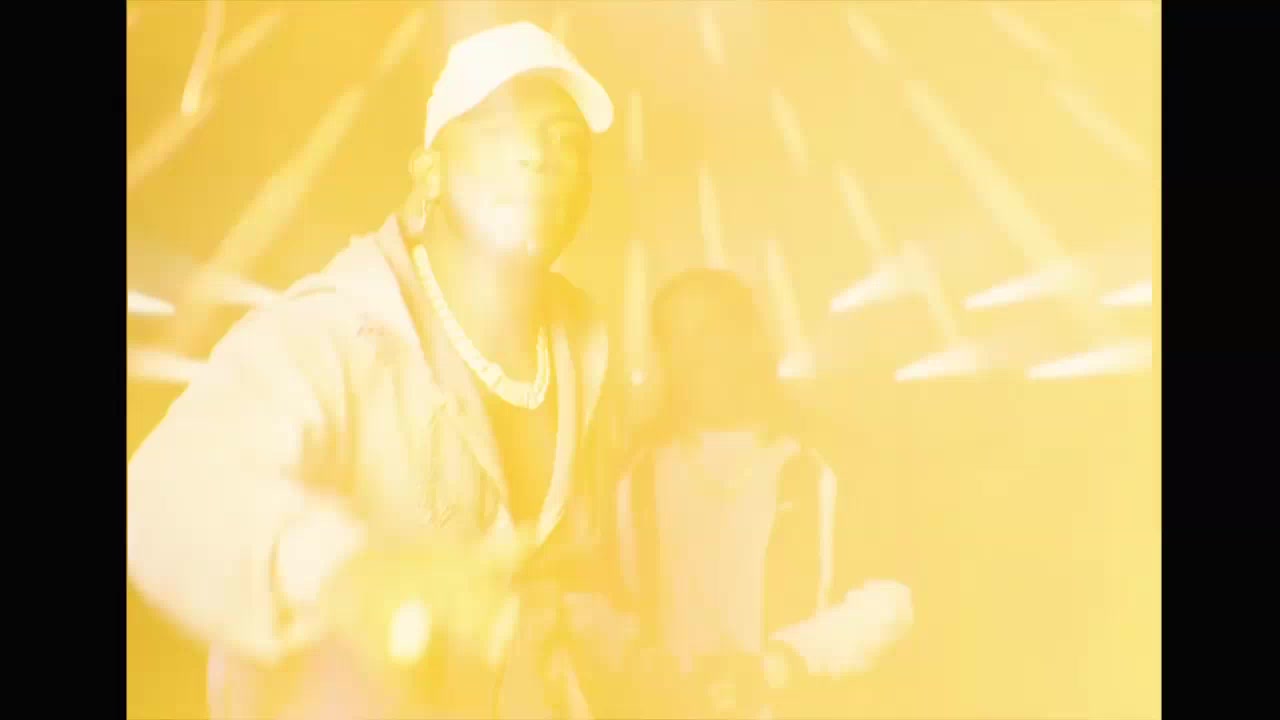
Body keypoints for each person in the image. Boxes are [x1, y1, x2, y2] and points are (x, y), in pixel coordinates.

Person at [127, 21, 617, 720]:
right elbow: (167, 490)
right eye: (500, 129)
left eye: (566, 141)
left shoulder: (582, 356)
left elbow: (554, 584)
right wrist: (350, 573)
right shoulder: (330, 332)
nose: (539, 156)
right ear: (429, 173)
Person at [605, 268, 915, 718]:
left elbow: (892, 599)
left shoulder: (831, 459)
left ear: (751, 338)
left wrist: (781, 665)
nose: (696, 352)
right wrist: (638, 658)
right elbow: (591, 601)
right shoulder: (634, 473)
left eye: (711, 329)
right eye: (676, 336)